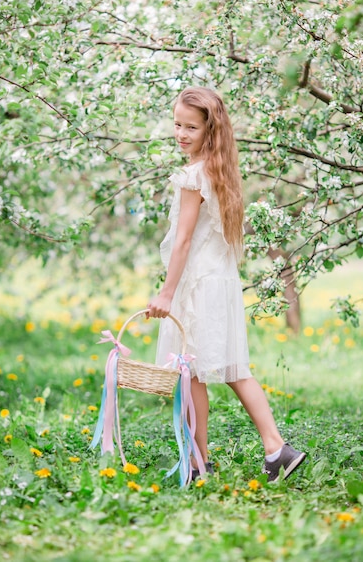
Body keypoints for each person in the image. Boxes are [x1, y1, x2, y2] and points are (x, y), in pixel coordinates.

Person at [147, 86, 306, 482]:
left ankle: (200, 462)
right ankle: (275, 450)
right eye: (177, 125)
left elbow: (183, 240)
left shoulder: (192, 175)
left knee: (193, 371)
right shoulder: (221, 171)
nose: (181, 134)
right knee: (231, 368)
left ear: (210, 131)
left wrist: (167, 292)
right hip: (220, 282)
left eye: (191, 128)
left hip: (199, 283)